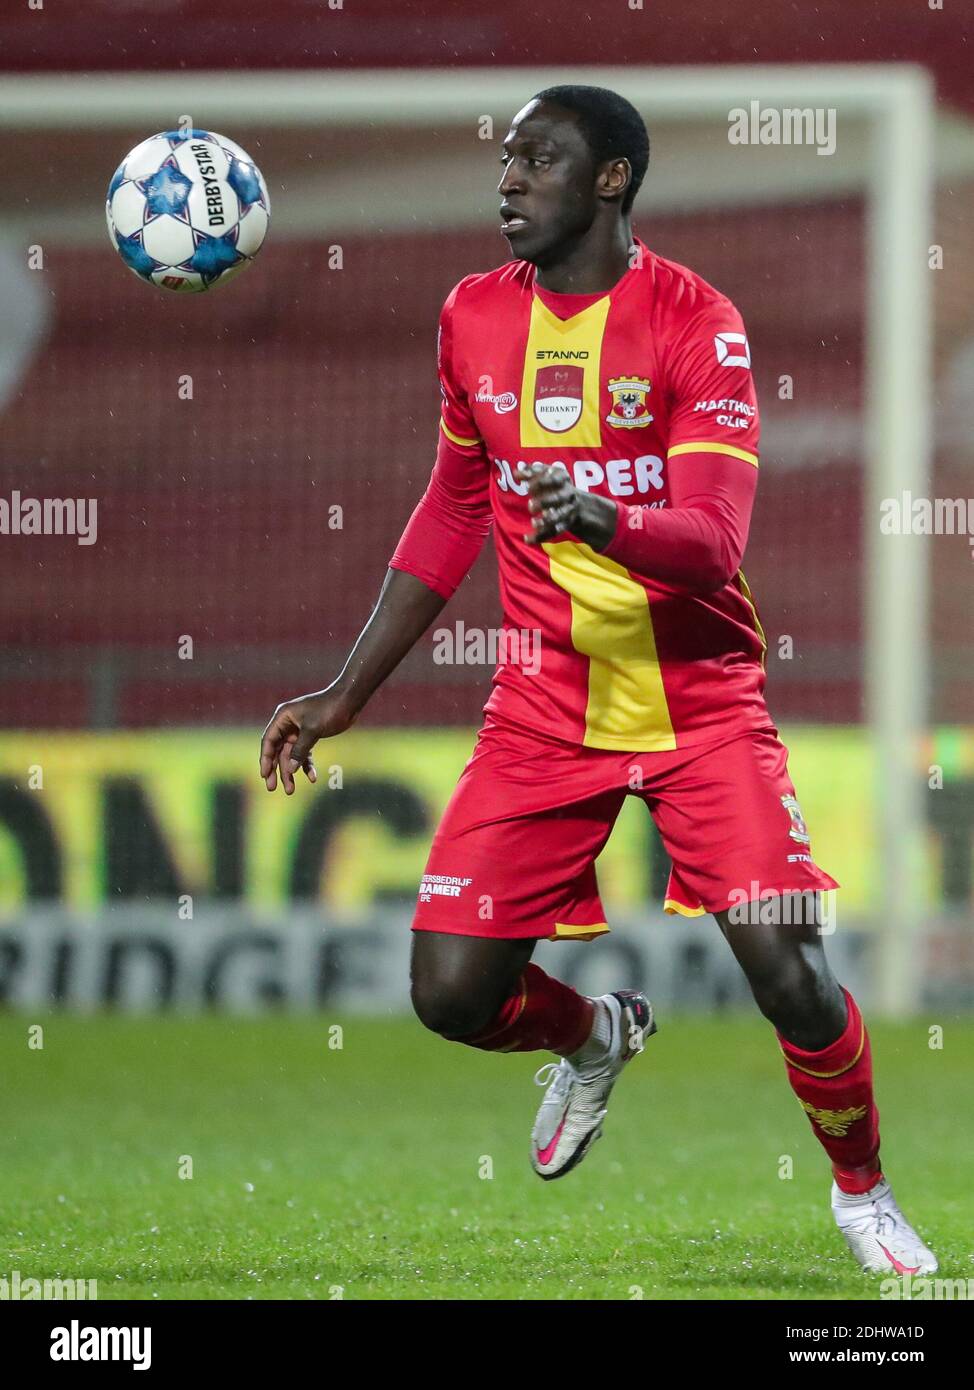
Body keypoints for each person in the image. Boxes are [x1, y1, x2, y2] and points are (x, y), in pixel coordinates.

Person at [260, 84, 936, 1276]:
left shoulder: (694, 321)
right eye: (505, 160)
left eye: (537, 160)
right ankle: (594, 1033)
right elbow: (452, 507)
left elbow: (713, 540)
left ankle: (860, 1190)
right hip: (541, 702)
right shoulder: (470, 316)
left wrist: (604, 520)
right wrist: (344, 693)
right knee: (451, 993)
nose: (506, 181)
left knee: (785, 968)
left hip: (699, 700)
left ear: (610, 180)